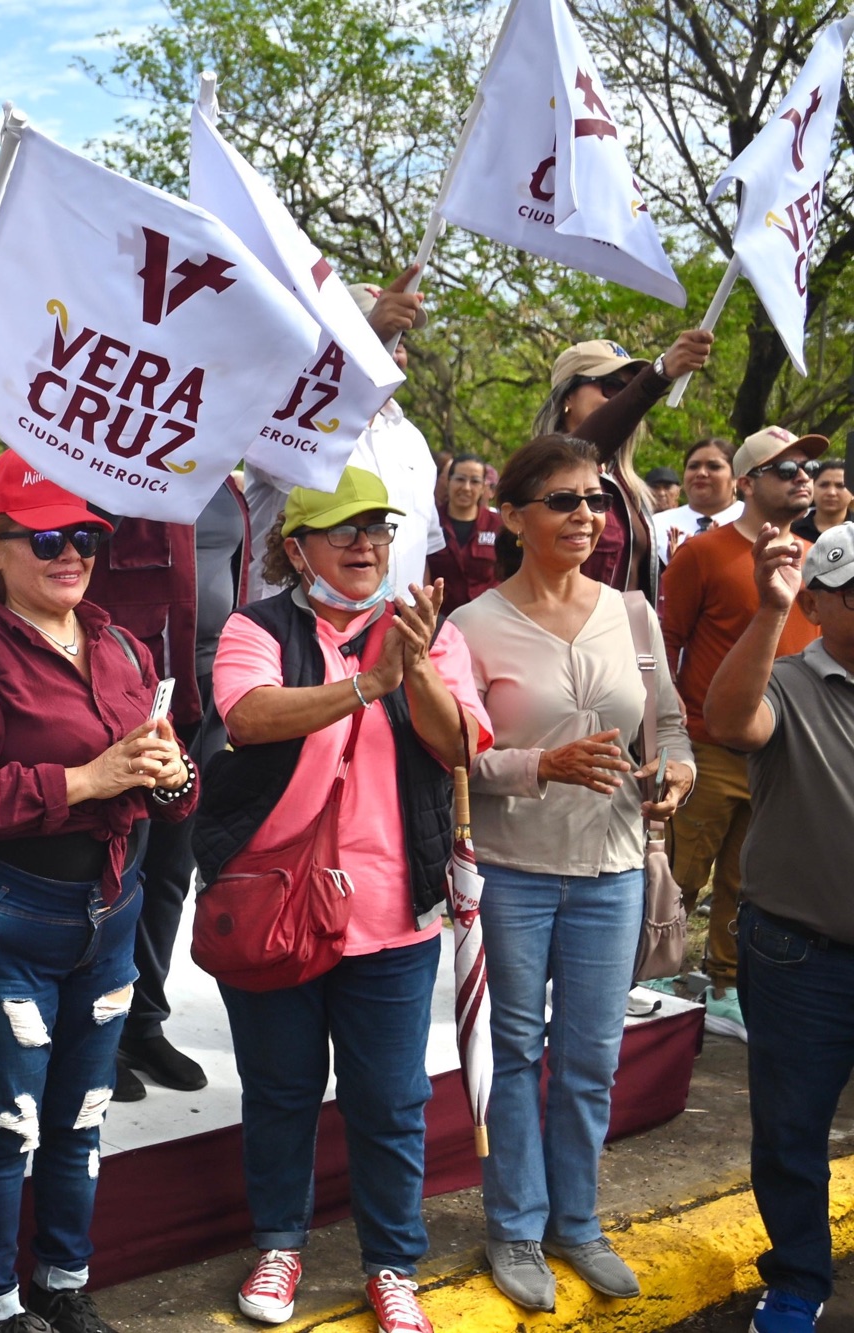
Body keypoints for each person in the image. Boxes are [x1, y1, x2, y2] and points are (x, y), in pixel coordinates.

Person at [197, 467, 489, 1333]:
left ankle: (392, 1262)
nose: (366, 546)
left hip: (392, 913)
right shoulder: (256, 625)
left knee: (391, 1098)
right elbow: (247, 715)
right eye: (344, 531)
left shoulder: (427, 631)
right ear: (296, 549)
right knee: (281, 1089)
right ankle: (281, 1243)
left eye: (379, 531)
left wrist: (415, 667)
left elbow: (459, 743)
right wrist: (364, 683)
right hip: (274, 903)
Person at [0, 450, 195, 1333]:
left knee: (83, 1113)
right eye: (46, 539)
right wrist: (87, 778)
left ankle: (64, 1283)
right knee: (10, 1120)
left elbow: (171, 787)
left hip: (109, 917)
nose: (69, 553)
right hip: (3, 918)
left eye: (84, 536)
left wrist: (173, 773)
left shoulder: (120, 646)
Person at [450, 435, 694, 1313]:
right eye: (562, 500)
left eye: (594, 499)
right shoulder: (469, 627)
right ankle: (514, 1225)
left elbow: (668, 725)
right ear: (511, 518)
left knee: (590, 1059)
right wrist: (538, 766)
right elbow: (456, 760)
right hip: (513, 872)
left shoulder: (633, 613)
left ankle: (576, 1221)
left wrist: (675, 775)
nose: (586, 515)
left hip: (615, 870)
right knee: (513, 1053)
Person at [702, 524, 854, 1333]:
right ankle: (798, 1280)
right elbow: (729, 720)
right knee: (793, 1131)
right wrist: (768, 609)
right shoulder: (789, 680)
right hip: (802, 955)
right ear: (822, 603)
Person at [651, 427, 826, 1043]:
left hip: (783, 752)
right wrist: (670, 716)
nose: (802, 477)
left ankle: (725, 984)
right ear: (747, 484)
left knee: (747, 881)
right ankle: (651, 976)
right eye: (785, 469)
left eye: (809, 466)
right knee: (682, 870)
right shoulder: (702, 552)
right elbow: (667, 637)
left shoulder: (815, 556)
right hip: (710, 743)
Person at [82, 476, 248, 1102]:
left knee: (174, 870)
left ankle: (142, 1023)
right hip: (130, 692)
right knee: (123, 870)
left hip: (208, 693)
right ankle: (97, 1031)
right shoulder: (122, 458)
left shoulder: (227, 485)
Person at [244, 270, 441, 604]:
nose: (392, 350)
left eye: (399, 341)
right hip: (294, 637)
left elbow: (419, 551)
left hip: (392, 640)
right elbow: (290, 467)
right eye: (378, 335)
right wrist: (366, 347)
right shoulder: (286, 412)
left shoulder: (413, 441)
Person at [532, 332, 714, 598]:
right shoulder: (544, 466)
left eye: (629, 390)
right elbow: (578, 452)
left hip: (629, 636)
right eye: (611, 386)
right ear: (567, 397)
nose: (622, 399)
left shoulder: (626, 484)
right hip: (569, 635)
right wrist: (658, 374)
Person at [427, 452, 501, 612]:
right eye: (460, 479)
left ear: (483, 487)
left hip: (487, 617)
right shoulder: (430, 523)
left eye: (474, 481)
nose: (466, 487)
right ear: (448, 482)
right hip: (440, 621)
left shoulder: (498, 526)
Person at [653, 438, 742, 569]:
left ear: (736, 478)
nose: (701, 473)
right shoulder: (655, 525)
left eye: (714, 466)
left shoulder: (752, 520)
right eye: (693, 466)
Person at [793, 458, 848, 543]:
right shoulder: (793, 531)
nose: (831, 493)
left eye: (840, 486)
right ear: (812, 487)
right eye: (824, 485)